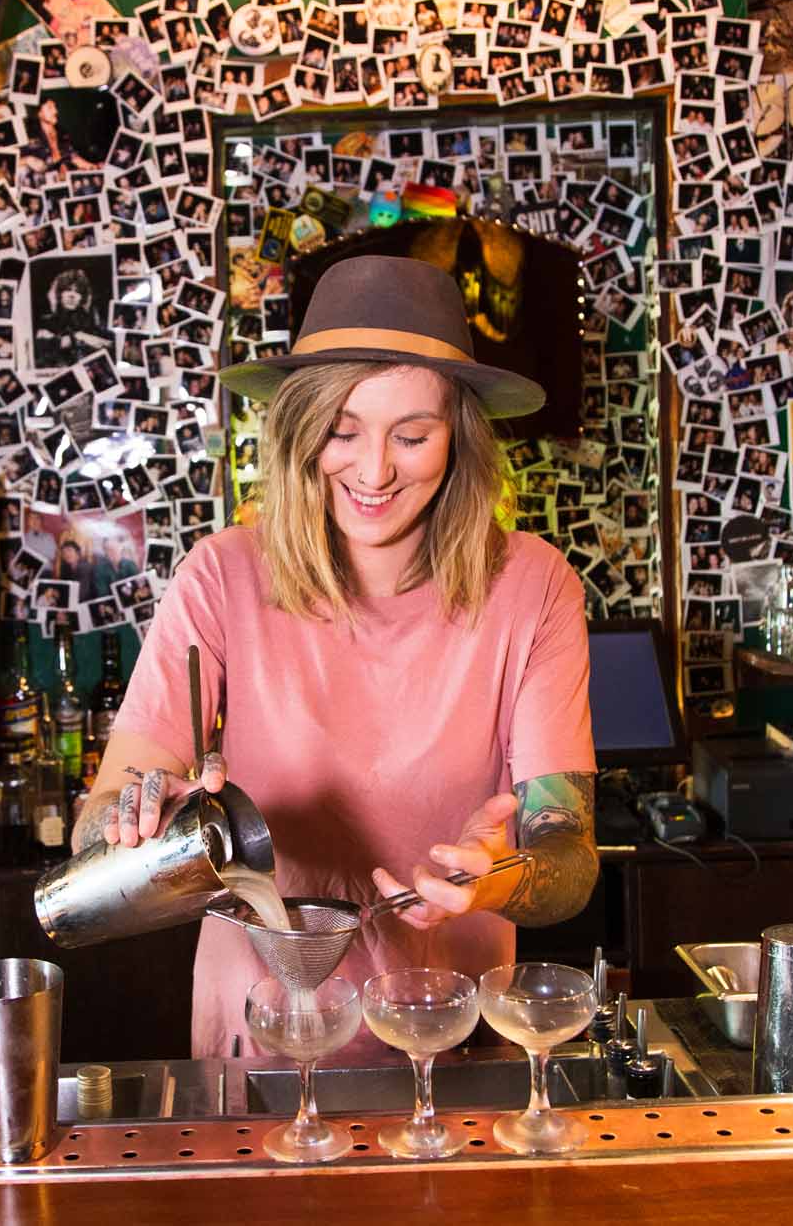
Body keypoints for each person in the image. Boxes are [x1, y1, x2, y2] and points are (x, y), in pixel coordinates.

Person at [73, 256, 597, 1060]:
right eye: (342, 432)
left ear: (459, 436)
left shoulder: (532, 587)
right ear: (298, 431)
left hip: (447, 1043)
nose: (375, 470)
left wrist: (495, 879)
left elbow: (569, 856)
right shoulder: (223, 577)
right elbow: (100, 817)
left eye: (412, 435)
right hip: (261, 1044)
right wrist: (136, 819)